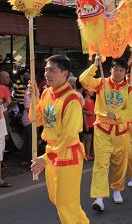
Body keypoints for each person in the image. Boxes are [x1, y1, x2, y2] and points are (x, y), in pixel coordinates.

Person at [30, 55, 89, 223]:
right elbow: (37, 119)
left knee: (66, 205)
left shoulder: (72, 99)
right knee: (58, 200)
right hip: (52, 153)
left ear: (65, 74)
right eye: (46, 70)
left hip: (67, 154)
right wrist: (34, 98)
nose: (47, 74)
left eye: (52, 70)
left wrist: (45, 159)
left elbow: (69, 136)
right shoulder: (46, 93)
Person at [80, 56, 132, 211]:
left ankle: (117, 189)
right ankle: (99, 197)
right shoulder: (101, 83)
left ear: (125, 72)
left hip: (120, 131)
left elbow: (130, 112)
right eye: (115, 69)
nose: (118, 73)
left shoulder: (129, 89)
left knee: (119, 163)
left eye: (121, 70)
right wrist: (95, 65)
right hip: (102, 130)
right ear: (110, 69)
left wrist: (116, 115)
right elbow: (84, 81)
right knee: (101, 164)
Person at [83, 90, 95, 160]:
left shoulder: (92, 101)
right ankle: (84, 155)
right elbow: (84, 113)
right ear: (86, 92)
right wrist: (86, 124)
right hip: (87, 122)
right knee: (85, 138)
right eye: (91, 91)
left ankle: (88, 154)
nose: (92, 92)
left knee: (90, 139)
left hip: (92, 122)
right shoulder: (84, 100)